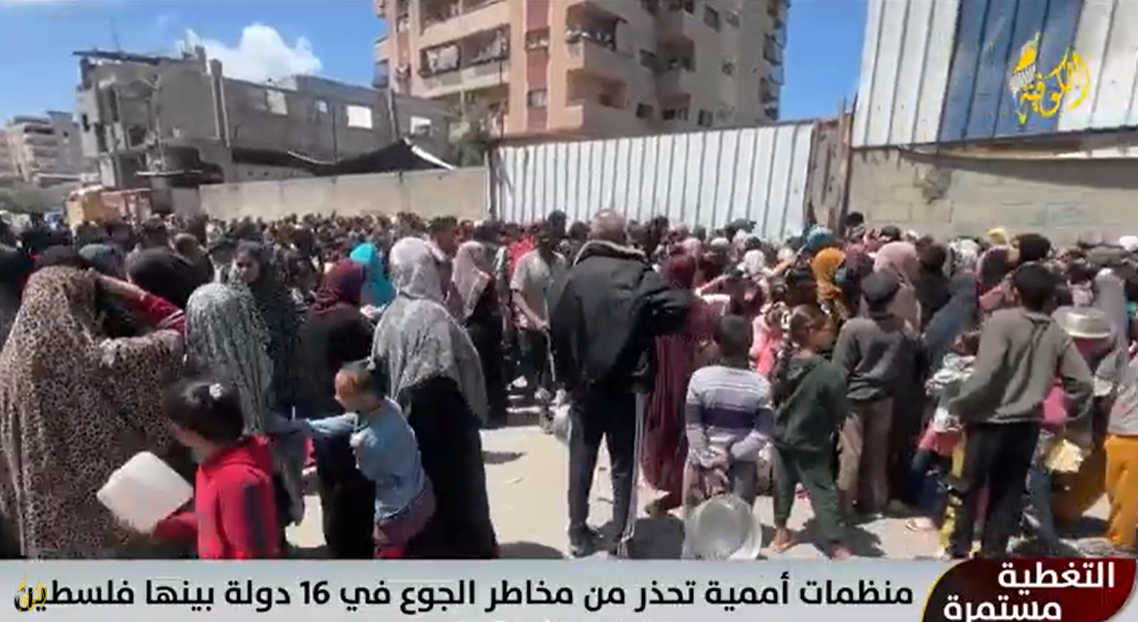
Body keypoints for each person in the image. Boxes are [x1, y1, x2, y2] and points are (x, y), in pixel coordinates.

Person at [0, 267, 185, 558]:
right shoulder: (89, 356)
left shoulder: (8, 362)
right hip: (112, 505)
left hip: (51, 516)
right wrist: (141, 299)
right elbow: (168, 340)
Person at [549, 210, 691, 558]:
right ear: (622, 237)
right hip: (627, 386)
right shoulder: (638, 272)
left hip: (585, 387)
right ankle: (620, 538)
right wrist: (644, 322)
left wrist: (566, 380)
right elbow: (680, 305)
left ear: (593, 236)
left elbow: (558, 332)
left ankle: (577, 532)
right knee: (624, 465)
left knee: (581, 460)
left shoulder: (573, 275)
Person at [944, 263, 1094, 559]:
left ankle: (959, 550)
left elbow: (985, 376)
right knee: (1007, 494)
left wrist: (959, 404)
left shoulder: (1001, 321)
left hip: (989, 422)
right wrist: (1066, 408)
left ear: (1014, 292)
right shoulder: (1055, 331)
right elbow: (1083, 382)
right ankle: (993, 554)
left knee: (969, 489)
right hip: (1027, 425)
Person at [371, 237, 499, 558]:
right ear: (421, 269)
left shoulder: (389, 315)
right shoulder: (432, 316)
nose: (444, 273)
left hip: (403, 432)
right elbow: (436, 381)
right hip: (442, 434)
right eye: (435, 266)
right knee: (454, 507)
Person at [297, 261, 384, 559]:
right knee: (357, 480)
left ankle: (337, 543)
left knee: (331, 480)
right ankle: (359, 547)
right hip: (351, 411)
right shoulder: (351, 321)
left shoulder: (310, 317)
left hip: (319, 410)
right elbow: (372, 365)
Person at [304, 359, 435, 558]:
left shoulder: (367, 441)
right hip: (419, 492)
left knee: (387, 554)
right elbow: (349, 421)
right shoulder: (389, 406)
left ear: (364, 397)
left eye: (342, 394)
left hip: (392, 513)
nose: (336, 398)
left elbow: (368, 474)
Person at [150, 378, 280, 559]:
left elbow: (251, 557)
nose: (171, 428)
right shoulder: (214, 466)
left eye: (174, 423)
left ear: (191, 432)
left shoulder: (238, 481)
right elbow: (212, 521)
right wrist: (166, 528)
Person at [832, 270, 920, 518]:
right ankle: (872, 502)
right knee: (877, 452)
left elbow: (840, 368)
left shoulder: (853, 328)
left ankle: (843, 506)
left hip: (853, 398)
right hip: (884, 397)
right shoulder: (903, 327)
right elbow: (909, 361)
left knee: (851, 453)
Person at [768, 304, 851, 558]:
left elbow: (774, 394)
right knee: (821, 489)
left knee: (782, 485)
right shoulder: (828, 372)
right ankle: (835, 545)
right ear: (812, 332)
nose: (832, 334)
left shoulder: (784, 363)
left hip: (781, 436)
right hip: (811, 440)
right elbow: (840, 408)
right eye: (827, 329)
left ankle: (780, 533)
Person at [642, 254, 714, 517]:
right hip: (691, 377)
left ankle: (664, 479)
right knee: (688, 432)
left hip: (658, 375)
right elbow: (706, 345)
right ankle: (682, 488)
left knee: (661, 425)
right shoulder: (700, 308)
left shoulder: (653, 305)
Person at [682, 316, 774, 518]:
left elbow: (693, 426)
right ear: (750, 343)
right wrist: (730, 456)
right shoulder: (761, 385)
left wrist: (708, 460)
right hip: (742, 466)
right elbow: (762, 432)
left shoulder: (700, 379)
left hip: (700, 465)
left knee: (696, 523)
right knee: (735, 524)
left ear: (717, 344)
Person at [231, 241, 302, 416]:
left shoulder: (277, 295)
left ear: (261, 265)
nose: (244, 271)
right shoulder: (232, 293)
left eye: (249, 265)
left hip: (276, 371)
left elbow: (290, 334)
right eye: (239, 265)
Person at [511, 223, 568, 420]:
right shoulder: (526, 262)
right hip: (532, 326)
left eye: (549, 237)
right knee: (535, 369)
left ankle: (547, 408)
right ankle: (540, 405)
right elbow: (517, 294)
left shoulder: (561, 261)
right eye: (541, 238)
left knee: (552, 370)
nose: (545, 242)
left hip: (554, 325)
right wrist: (535, 319)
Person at [453, 239, 509, 427]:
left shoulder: (463, 277)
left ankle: (485, 412)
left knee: (482, 371)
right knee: (491, 371)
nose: (481, 255)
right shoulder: (484, 277)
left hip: (476, 328)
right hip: (486, 328)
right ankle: (495, 413)